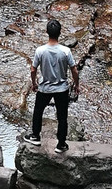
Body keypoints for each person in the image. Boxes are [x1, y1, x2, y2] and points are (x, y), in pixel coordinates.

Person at [23, 19, 79, 152]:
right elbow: (74, 69)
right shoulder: (65, 51)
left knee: (38, 112)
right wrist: (76, 84)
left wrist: (34, 83)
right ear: (60, 33)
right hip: (62, 89)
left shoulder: (40, 50)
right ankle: (61, 144)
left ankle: (36, 136)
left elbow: (33, 69)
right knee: (62, 116)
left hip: (45, 88)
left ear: (46, 32)